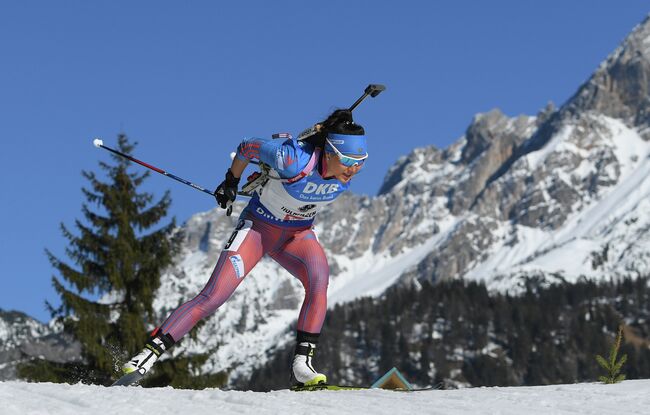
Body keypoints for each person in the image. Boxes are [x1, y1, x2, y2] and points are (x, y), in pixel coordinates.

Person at [122, 109, 368, 387]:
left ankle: (303, 366)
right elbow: (248, 145)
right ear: (329, 152)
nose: (354, 169)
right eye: (348, 160)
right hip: (258, 230)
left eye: (361, 162)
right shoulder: (292, 159)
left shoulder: (343, 172)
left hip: (297, 235)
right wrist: (231, 181)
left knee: (319, 280)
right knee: (214, 295)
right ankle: (148, 354)